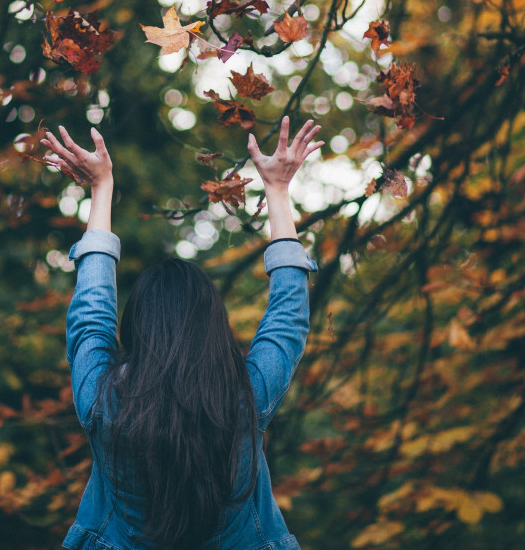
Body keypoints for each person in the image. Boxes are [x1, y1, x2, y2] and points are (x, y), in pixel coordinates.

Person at [41, 117, 324, 550]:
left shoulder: (102, 401)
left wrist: (102, 189)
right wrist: (278, 191)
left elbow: (91, 312)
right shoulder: (247, 398)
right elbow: (288, 317)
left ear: (136, 329)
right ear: (214, 329)